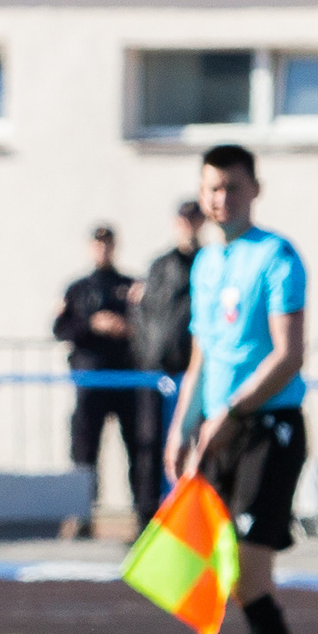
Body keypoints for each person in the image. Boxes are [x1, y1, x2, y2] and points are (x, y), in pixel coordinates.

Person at [165, 143, 311, 634]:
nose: (220, 198)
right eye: (211, 188)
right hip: (219, 431)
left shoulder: (277, 258)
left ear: (256, 189)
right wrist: (183, 425)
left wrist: (232, 412)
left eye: (230, 186)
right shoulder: (206, 264)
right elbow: (202, 358)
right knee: (226, 579)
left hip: (266, 427)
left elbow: (288, 354)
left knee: (251, 572)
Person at [51, 223, 138, 536]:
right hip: (91, 382)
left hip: (127, 381)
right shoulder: (78, 290)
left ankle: (143, 516)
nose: (104, 250)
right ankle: (82, 516)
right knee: (85, 452)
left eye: (109, 244)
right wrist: (92, 324)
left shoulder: (130, 286)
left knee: (138, 447)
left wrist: (125, 326)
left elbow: (149, 329)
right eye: (98, 244)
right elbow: (60, 329)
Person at [127, 201, 203, 527]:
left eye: (194, 219)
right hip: (158, 373)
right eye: (184, 220)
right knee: (150, 444)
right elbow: (144, 317)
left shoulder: (209, 263)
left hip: (194, 372)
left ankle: (191, 517)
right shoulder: (161, 267)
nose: (189, 226)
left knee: (198, 443)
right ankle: (148, 518)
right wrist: (148, 359)